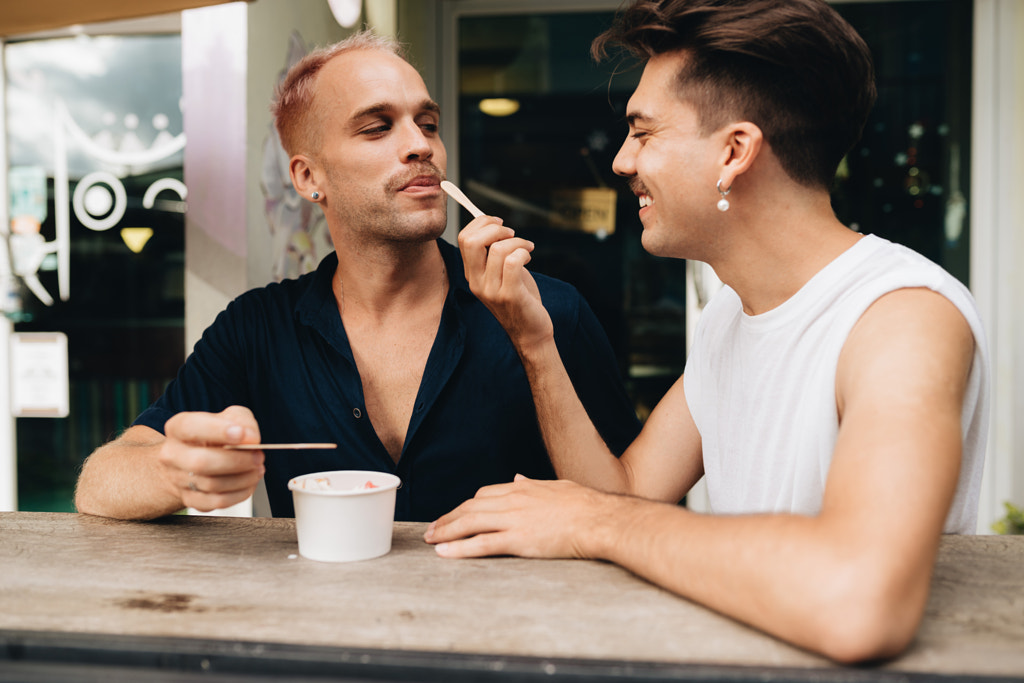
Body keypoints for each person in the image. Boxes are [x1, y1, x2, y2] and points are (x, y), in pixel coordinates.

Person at [425, 0, 989, 664]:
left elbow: (859, 599)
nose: (621, 162)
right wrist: (534, 339)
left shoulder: (903, 317)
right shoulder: (731, 312)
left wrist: (594, 521)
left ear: (734, 152)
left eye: (644, 132)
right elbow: (627, 490)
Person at [74, 30, 640, 523]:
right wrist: (179, 473)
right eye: (376, 128)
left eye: (428, 123)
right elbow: (100, 486)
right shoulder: (258, 329)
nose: (421, 145)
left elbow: (631, 509)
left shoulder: (549, 312)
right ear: (307, 176)